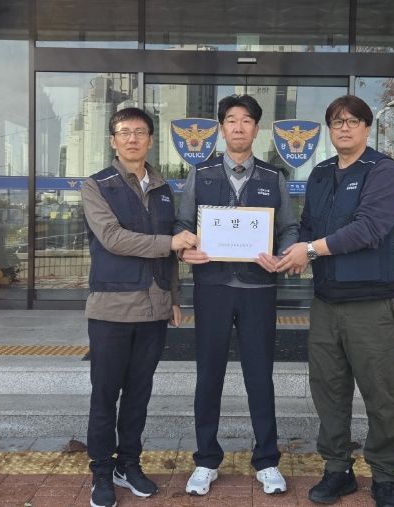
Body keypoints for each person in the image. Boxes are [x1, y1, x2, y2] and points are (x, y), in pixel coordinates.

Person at [277, 95, 394, 507]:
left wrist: (309, 251)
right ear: (329, 130)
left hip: (372, 304)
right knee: (328, 392)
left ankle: (384, 475)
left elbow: (369, 228)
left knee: (380, 395)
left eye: (352, 121)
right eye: (336, 122)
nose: (344, 128)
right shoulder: (320, 173)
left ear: (367, 127)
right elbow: (308, 226)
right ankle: (337, 470)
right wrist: (290, 253)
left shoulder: (382, 171)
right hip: (326, 303)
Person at [175, 94, 299, 496]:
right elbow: (182, 224)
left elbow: (289, 229)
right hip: (212, 288)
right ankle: (206, 460)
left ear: (256, 129)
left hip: (258, 290)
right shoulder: (202, 173)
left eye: (247, 120)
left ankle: (267, 460)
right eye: (231, 120)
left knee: (259, 376)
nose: (239, 127)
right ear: (221, 128)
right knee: (208, 375)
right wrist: (185, 249)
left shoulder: (273, 177)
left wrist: (283, 253)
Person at [82, 107, 197, 507]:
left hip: (154, 309)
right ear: (113, 141)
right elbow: (113, 238)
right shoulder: (97, 185)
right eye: (124, 132)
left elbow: (171, 249)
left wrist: (174, 297)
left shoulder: (164, 188)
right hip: (111, 309)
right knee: (105, 395)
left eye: (140, 132)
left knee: (138, 394)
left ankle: (128, 464)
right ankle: (101, 471)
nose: (132, 138)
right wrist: (171, 243)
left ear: (150, 140)